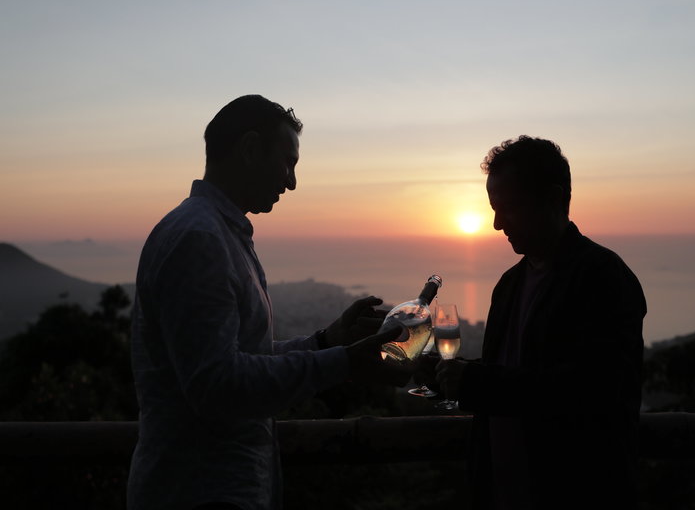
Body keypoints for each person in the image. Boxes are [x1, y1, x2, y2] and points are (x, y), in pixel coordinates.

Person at [127, 94, 402, 510]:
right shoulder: (200, 240)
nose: (292, 182)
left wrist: (325, 342)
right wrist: (344, 363)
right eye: (288, 163)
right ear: (251, 149)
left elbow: (239, 358)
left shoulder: (220, 233)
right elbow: (217, 385)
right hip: (200, 492)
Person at [436, 136, 647, 510]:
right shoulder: (509, 284)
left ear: (552, 199)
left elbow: (593, 390)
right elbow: (514, 370)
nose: (497, 224)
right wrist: (446, 374)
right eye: (494, 209)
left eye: (508, 208)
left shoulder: (602, 277)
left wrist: (476, 382)